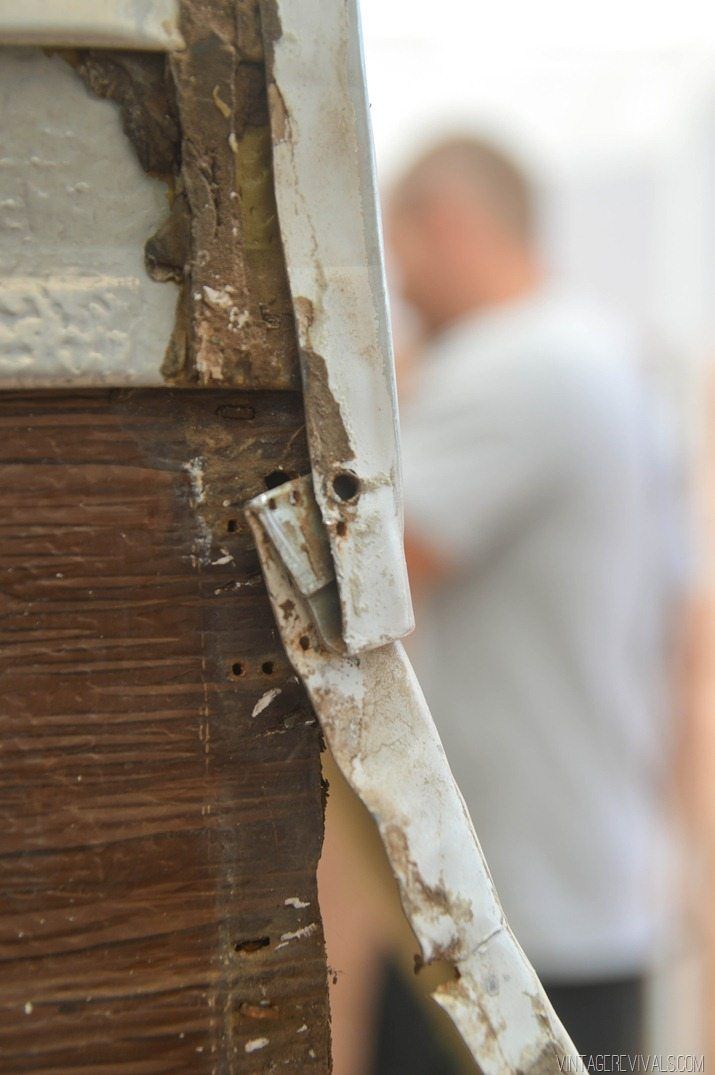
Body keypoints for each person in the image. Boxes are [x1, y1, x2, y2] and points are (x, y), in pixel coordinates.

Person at [385, 136, 683, 1061]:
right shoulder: (613, 361)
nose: (397, 284)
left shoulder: (514, 367)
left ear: (445, 227)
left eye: (398, 249)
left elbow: (354, 576)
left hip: (510, 918)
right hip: (592, 888)